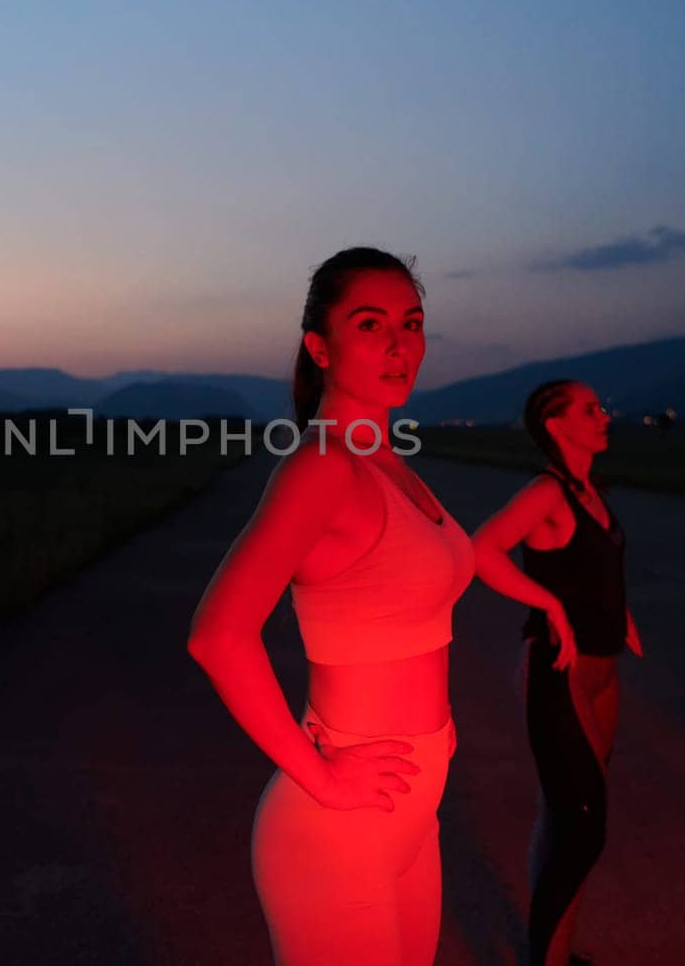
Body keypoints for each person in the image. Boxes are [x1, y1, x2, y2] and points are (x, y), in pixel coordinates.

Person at [187, 247, 474, 965]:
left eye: (411, 323)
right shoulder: (324, 466)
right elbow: (217, 636)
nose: (399, 344)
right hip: (337, 824)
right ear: (321, 346)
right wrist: (321, 776)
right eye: (371, 323)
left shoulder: (389, 463)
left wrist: (436, 730)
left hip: (411, 809)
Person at [471, 380, 643, 966]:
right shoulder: (546, 493)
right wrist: (548, 606)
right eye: (590, 409)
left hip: (604, 673)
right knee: (583, 828)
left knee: (567, 816)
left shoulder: (591, 492)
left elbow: (590, 569)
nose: (603, 416)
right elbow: (481, 551)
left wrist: (621, 614)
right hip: (560, 672)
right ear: (556, 425)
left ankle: (556, 954)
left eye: (601, 406)